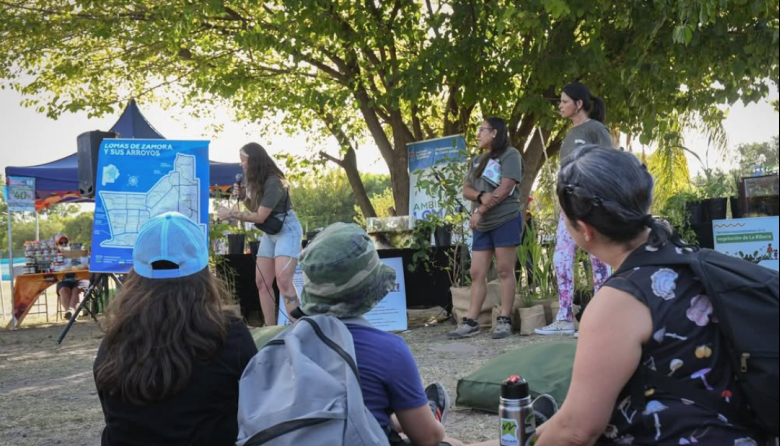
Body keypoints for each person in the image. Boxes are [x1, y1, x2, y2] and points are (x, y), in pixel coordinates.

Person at [93, 212, 258, 446]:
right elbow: (258, 410)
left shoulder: (114, 342)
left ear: (135, 274)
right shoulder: (230, 335)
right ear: (204, 273)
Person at [298, 223, 462, 446]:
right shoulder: (388, 349)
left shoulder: (286, 345)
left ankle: (398, 419)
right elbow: (429, 438)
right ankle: (425, 413)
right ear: (370, 293)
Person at [536, 82, 613, 336]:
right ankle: (565, 317)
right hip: (568, 205)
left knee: (598, 259)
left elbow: (606, 163)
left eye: (564, 101)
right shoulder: (569, 135)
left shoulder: (596, 129)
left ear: (579, 104)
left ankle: (601, 320)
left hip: (592, 203)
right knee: (560, 257)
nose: (560, 106)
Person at [448, 117, 524, 340]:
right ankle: (471, 321)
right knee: (476, 272)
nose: (478, 134)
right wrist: (481, 197)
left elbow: (507, 186)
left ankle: (505, 319)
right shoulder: (477, 160)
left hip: (505, 219)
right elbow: (466, 189)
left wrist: (480, 210)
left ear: (495, 133)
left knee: (503, 270)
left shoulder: (511, 155)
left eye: (482, 130)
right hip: (482, 224)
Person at [217, 142, 304, 326]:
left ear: (253, 160)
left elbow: (260, 216)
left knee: (283, 280)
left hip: (286, 230)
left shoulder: (274, 181)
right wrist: (243, 198)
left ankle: (299, 327)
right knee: (261, 282)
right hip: (271, 232)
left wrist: (231, 213)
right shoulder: (259, 181)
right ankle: (270, 328)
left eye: (243, 160)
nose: (241, 164)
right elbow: (257, 209)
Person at [54, 234, 89, 320]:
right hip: (64, 279)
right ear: (57, 245)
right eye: (61, 242)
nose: (64, 244)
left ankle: (71, 311)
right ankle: (71, 315)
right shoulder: (55, 255)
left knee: (78, 289)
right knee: (63, 290)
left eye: (65, 242)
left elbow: (87, 263)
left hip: (81, 277)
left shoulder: (77, 251)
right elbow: (54, 269)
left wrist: (81, 265)